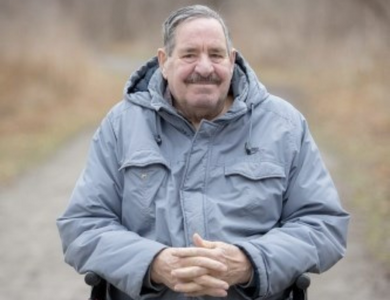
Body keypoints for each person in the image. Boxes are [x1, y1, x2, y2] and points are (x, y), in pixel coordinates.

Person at [57, 5, 349, 300]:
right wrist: (154, 264)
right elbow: (83, 226)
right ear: (164, 62)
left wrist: (250, 262)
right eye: (189, 54)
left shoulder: (284, 125)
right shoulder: (122, 125)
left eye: (216, 54)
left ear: (232, 61)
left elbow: (323, 225)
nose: (205, 68)